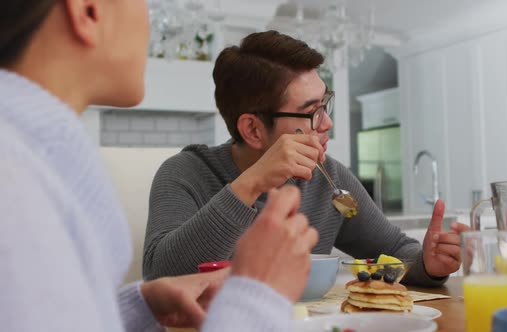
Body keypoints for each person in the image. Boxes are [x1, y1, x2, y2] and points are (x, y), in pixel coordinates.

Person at [0, 1, 319, 331]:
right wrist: (257, 295)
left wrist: (136, 306)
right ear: (88, 11)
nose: (149, 23)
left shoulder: (33, 161)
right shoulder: (13, 186)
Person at [143, 30, 470, 284]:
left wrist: (429, 264)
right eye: (311, 113)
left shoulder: (330, 179)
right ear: (254, 130)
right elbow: (161, 278)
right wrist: (252, 183)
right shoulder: (184, 174)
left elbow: (397, 251)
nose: (328, 123)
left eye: (324, 104)